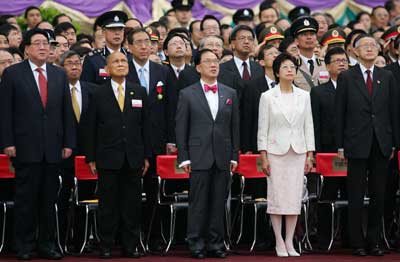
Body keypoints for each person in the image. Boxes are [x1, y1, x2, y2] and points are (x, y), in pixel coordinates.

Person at [0, 28, 75, 260]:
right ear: (27, 48)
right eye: (39, 43)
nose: (44, 47)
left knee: (48, 201)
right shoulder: (13, 74)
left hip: (53, 148)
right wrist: (8, 142)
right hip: (24, 147)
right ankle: (24, 245)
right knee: (26, 200)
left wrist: (68, 142)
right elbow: (5, 112)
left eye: (47, 43)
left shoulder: (59, 74)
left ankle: (47, 244)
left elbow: (66, 112)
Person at [335, 34, 398, 257]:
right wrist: (340, 145)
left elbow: (393, 112)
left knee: (379, 195)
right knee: (355, 195)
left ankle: (374, 241)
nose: (370, 49)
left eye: (373, 45)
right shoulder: (347, 77)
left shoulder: (387, 76)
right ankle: (357, 242)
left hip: (382, 143)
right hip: (356, 143)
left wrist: (394, 144)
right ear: (354, 51)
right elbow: (339, 113)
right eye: (365, 46)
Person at [85, 51, 150, 259]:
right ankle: (106, 245)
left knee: (132, 205)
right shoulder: (97, 93)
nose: (121, 64)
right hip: (107, 157)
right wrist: (91, 157)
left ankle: (130, 246)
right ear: (107, 68)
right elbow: (90, 128)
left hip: (133, 157)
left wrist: (146, 155)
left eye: (123, 61)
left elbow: (145, 127)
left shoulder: (139, 91)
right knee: (108, 206)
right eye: (116, 61)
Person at [176, 49, 239, 259]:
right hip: (198, 155)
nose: (214, 65)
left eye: (216, 61)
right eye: (208, 61)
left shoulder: (229, 93)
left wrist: (234, 156)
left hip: (222, 156)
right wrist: (183, 156)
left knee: (218, 202)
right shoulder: (187, 93)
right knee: (198, 203)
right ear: (198, 67)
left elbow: (234, 127)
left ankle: (216, 243)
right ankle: (195, 243)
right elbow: (181, 127)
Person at [257, 53, 315, 257]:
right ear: (277, 72)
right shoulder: (267, 96)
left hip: (298, 152)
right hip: (275, 152)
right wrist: (263, 155)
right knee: (277, 197)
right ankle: (279, 241)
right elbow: (262, 128)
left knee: (293, 198)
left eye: (292, 67)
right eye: (285, 67)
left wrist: (310, 154)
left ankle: (290, 241)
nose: (290, 70)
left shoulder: (304, 96)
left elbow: (309, 126)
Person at [125, 27, 169, 250]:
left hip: (156, 142)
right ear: (129, 46)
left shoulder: (162, 72)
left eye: (148, 42)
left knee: (155, 192)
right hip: (130, 143)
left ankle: (153, 237)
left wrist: (170, 140)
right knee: (131, 193)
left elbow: (170, 108)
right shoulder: (123, 71)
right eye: (139, 42)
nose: (144, 46)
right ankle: (131, 239)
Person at [310, 47, 349, 249]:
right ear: (327, 65)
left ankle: (350, 237)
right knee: (328, 196)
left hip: (353, 152)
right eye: (337, 60)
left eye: (345, 60)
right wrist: (315, 152)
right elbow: (315, 124)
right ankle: (325, 238)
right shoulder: (318, 92)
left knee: (352, 194)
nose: (342, 63)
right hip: (329, 153)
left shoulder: (356, 87)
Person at [58, 50, 97, 251]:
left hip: (87, 155)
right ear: (61, 67)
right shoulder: (56, 89)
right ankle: (62, 239)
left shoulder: (93, 90)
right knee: (62, 198)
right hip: (62, 154)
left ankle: (82, 240)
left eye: (77, 63)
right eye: (70, 63)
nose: (75, 67)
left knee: (85, 198)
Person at [81, 11, 129, 85]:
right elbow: (87, 88)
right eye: (112, 29)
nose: (117, 33)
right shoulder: (93, 59)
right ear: (103, 32)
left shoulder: (131, 57)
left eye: (120, 29)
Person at [291, 16, 329, 91]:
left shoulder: (325, 63)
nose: (309, 37)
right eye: (304, 34)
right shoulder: (292, 65)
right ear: (296, 41)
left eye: (312, 34)